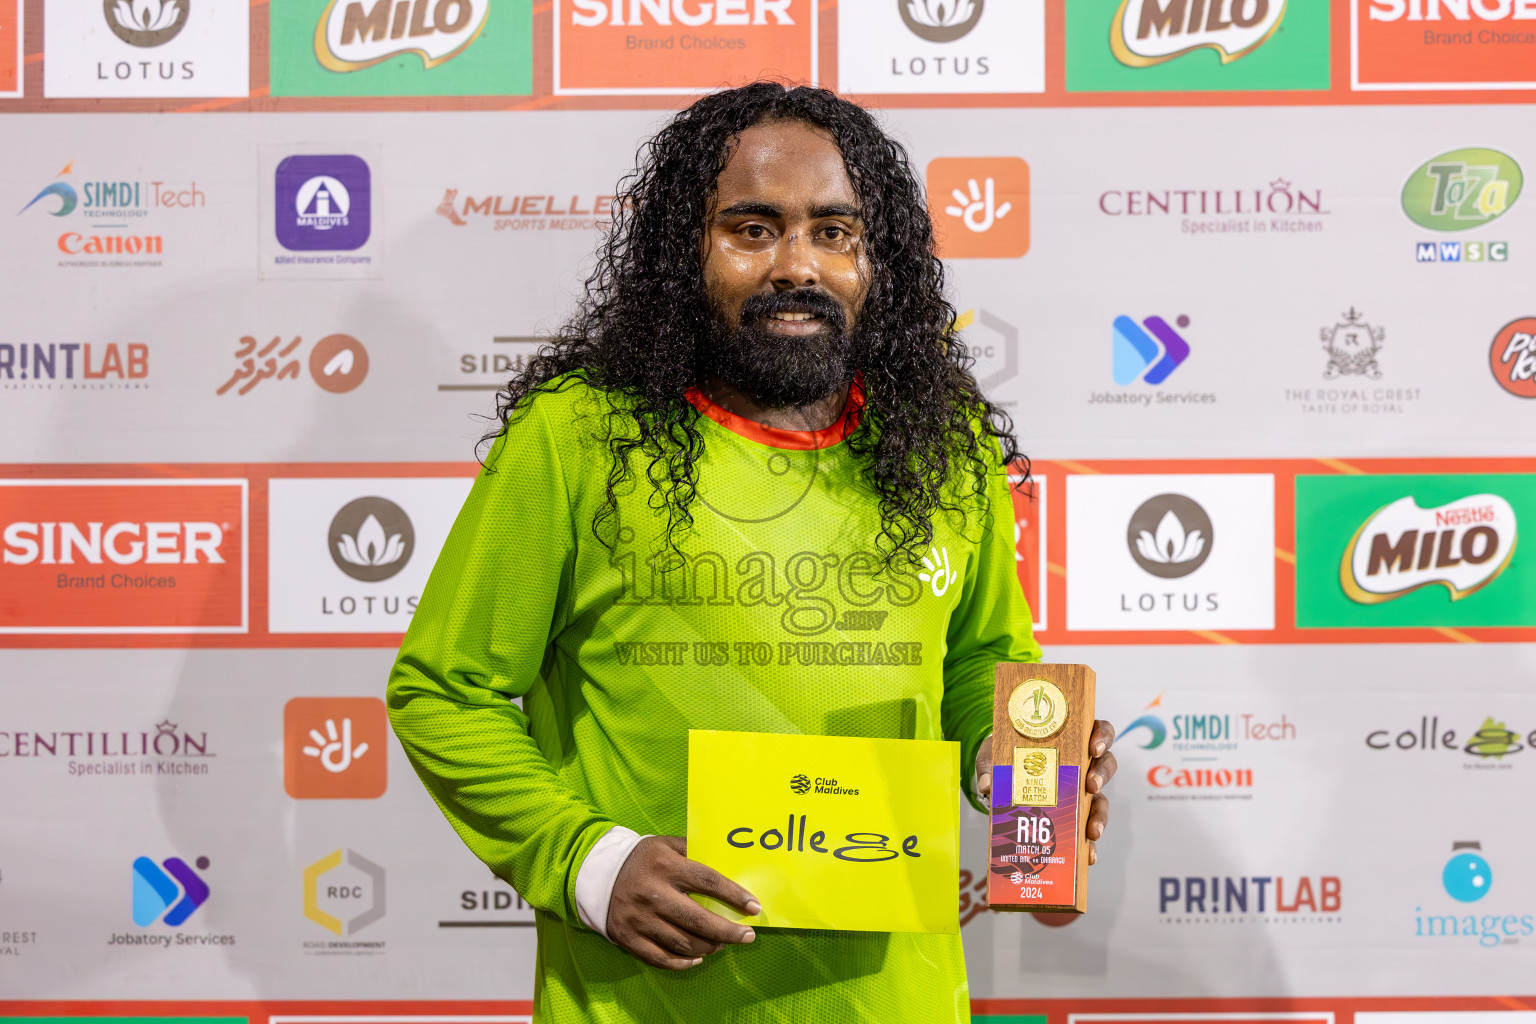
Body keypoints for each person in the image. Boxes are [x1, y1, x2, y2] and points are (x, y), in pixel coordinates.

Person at [387, 81, 1117, 1023]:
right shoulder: (576, 438)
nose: (795, 265)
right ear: (682, 254)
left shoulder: (947, 449)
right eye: (752, 227)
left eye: (834, 232)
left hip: (896, 997)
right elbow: (445, 689)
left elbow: (980, 660)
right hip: (649, 997)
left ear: (875, 260)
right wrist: (587, 861)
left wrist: (1013, 767)